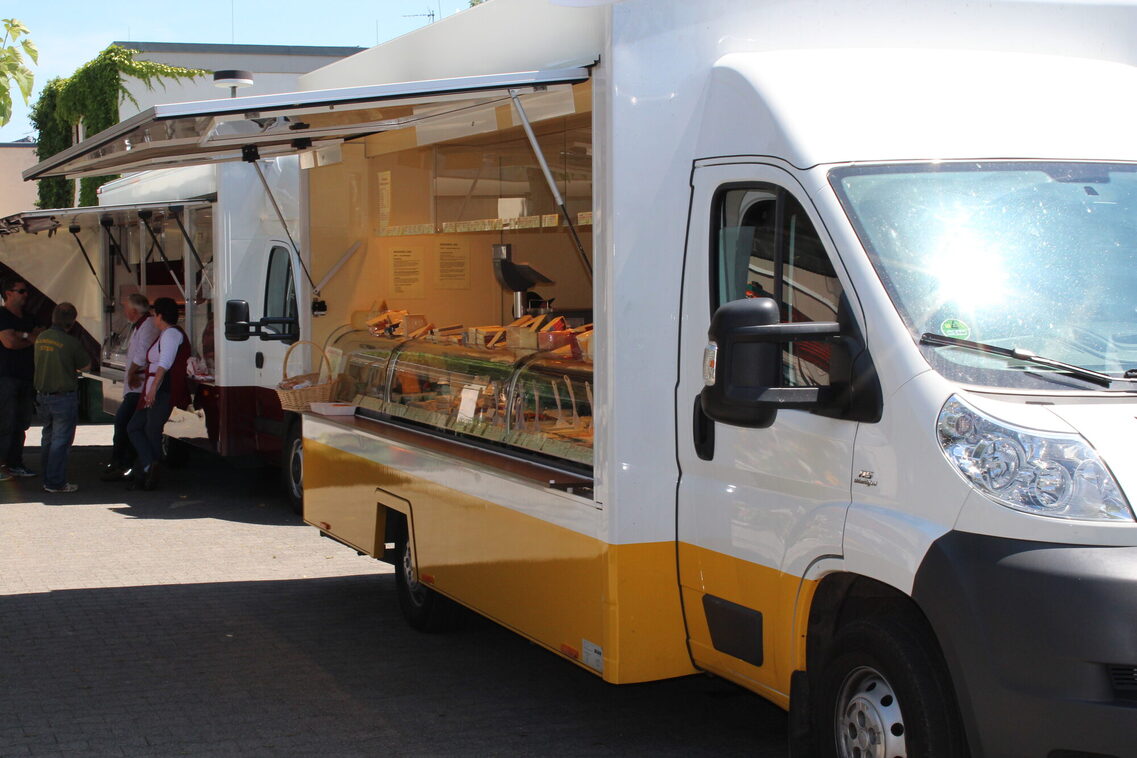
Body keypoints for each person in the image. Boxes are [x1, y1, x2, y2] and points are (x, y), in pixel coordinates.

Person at [127, 297, 189, 491]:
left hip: (163, 389)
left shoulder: (171, 334)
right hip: (155, 387)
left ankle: (148, 470)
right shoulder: (165, 334)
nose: (153, 318)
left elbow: (165, 363)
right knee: (136, 427)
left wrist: (153, 388)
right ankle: (148, 465)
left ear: (160, 315)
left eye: (155, 314)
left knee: (150, 429)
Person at [33, 302, 91, 494]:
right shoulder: (70, 342)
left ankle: (48, 476)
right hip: (63, 397)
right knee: (61, 441)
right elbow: (86, 366)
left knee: (48, 437)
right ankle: (55, 482)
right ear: (72, 322)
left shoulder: (41, 338)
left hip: (43, 395)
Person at [102, 293, 158, 481]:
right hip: (134, 386)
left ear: (134, 310)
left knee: (125, 425)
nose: (124, 311)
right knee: (125, 425)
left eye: (126, 308)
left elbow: (142, 355)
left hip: (139, 386)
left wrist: (132, 372)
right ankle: (123, 462)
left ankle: (124, 463)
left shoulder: (148, 325)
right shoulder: (138, 326)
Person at [0, 276, 43, 482]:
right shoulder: (2, 315)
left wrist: (23, 335)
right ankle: (2, 465)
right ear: (8, 293)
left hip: (26, 376)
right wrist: (29, 338)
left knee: (22, 422)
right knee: (5, 422)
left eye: (26, 291)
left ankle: (15, 463)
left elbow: (40, 337)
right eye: (21, 291)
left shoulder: (29, 316)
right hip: (5, 377)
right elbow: (9, 342)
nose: (26, 295)